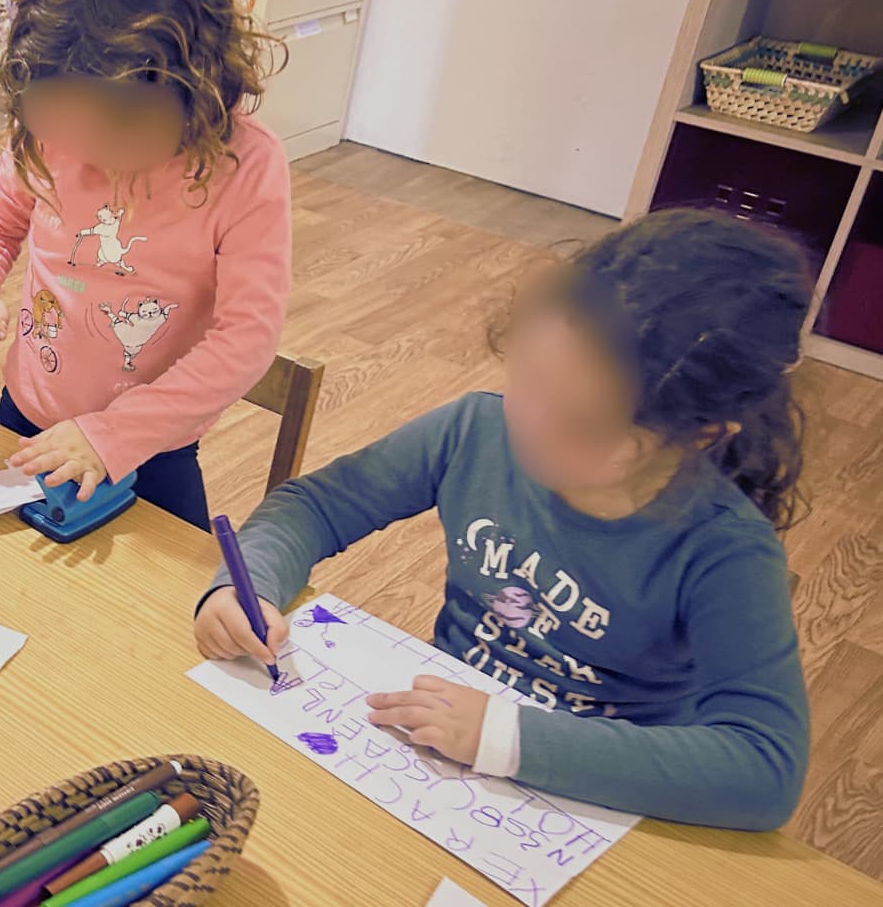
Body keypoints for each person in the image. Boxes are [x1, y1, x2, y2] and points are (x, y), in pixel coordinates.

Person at [194, 209, 813, 831]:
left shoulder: (724, 551)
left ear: (699, 435)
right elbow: (315, 506)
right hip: (433, 755)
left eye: (582, 424)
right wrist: (247, 586)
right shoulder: (476, 430)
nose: (531, 423)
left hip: (593, 801)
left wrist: (506, 737)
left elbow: (763, 771)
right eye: (529, 379)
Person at [0, 0, 291, 530]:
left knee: (172, 588)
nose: (86, 156)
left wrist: (115, 433)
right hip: (26, 414)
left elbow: (247, 339)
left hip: (152, 446)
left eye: (113, 134)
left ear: (194, 91)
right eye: (64, 129)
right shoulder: (55, 126)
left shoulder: (244, 166)